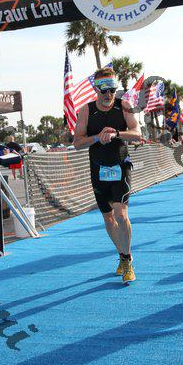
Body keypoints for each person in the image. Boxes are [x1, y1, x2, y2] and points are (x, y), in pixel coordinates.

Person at [74, 67, 141, 283]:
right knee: (109, 218)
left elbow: (137, 133)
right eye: (103, 90)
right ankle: (122, 254)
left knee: (121, 215)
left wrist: (116, 134)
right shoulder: (86, 111)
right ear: (96, 89)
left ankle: (127, 259)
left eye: (112, 89)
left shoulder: (124, 106)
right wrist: (97, 138)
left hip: (121, 167)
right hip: (98, 170)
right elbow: (77, 143)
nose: (108, 94)